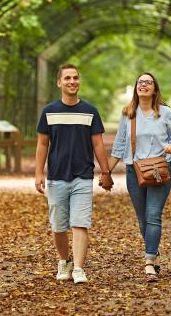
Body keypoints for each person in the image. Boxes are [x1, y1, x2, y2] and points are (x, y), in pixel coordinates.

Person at [35, 63, 113, 284]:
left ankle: (78, 268)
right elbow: (42, 144)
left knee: (80, 222)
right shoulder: (49, 111)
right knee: (59, 226)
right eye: (67, 78)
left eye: (76, 78)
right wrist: (38, 173)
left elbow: (98, 145)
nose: (72, 82)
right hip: (57, 176)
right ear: (59, 83)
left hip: (83, 175)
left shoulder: (90, 111)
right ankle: (64, 261)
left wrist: (105, 172)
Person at [106, 72, 171, 282]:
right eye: (141, 82)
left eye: (148, 82)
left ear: (155, 89)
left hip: (160, 169)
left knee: (153, 215)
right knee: (142, 220)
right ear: (136, 88)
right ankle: (153, 249)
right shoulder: (128, 113)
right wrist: (106, 171)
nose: (144, 85)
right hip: (134, 171)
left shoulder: (166, 113)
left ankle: (149, 261)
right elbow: (119, 145)